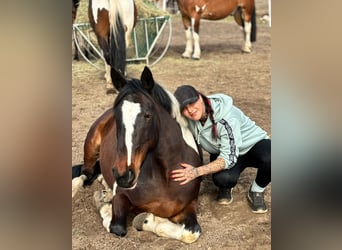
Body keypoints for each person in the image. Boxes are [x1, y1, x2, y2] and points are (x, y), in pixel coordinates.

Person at [171, 85, 271, 213]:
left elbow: (227, 158)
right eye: (184, 108)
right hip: (224, 150)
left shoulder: (226, 118)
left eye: (192, 103)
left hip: (251, 145)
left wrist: (196, 172)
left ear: (201, 98)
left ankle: (257, 190)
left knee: (272, 157)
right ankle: (226, 187)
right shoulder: (188, 118)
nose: (190, 110)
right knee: (223, 179)